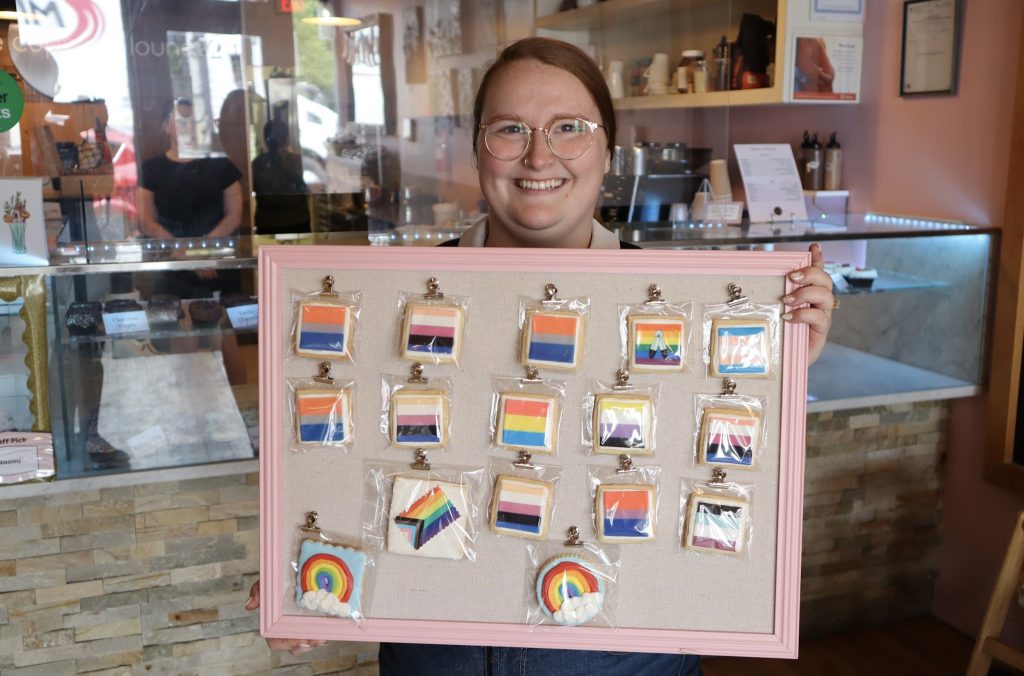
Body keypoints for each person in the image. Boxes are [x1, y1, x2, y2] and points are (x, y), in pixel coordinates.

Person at [246, 37, 835, 674]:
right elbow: (334, 465)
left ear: (607, 149)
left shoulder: (687, 308)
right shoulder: (397, 292)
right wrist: (299, 588)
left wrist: (778, 370)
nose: (537, 155)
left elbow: (718, 470)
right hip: (440, 653)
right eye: (509, 129)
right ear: (476, 148)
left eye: (568, 129)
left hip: (626, 657)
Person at [251, 119, 311, 234]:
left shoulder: (258, 163)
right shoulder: (299, 161)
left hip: (268, 225)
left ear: (266, 140)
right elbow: (311, 189)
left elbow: (251, 189)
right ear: (287, 139)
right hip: (298, 222)